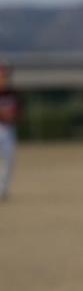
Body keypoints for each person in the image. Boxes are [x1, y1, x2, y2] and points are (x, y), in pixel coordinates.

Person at [0, 63, 22, 201]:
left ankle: (2, 190)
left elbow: (19, 111)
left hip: (8, 129)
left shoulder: (13, 93)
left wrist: (13, 115)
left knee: (9, 159)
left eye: (5, 76)